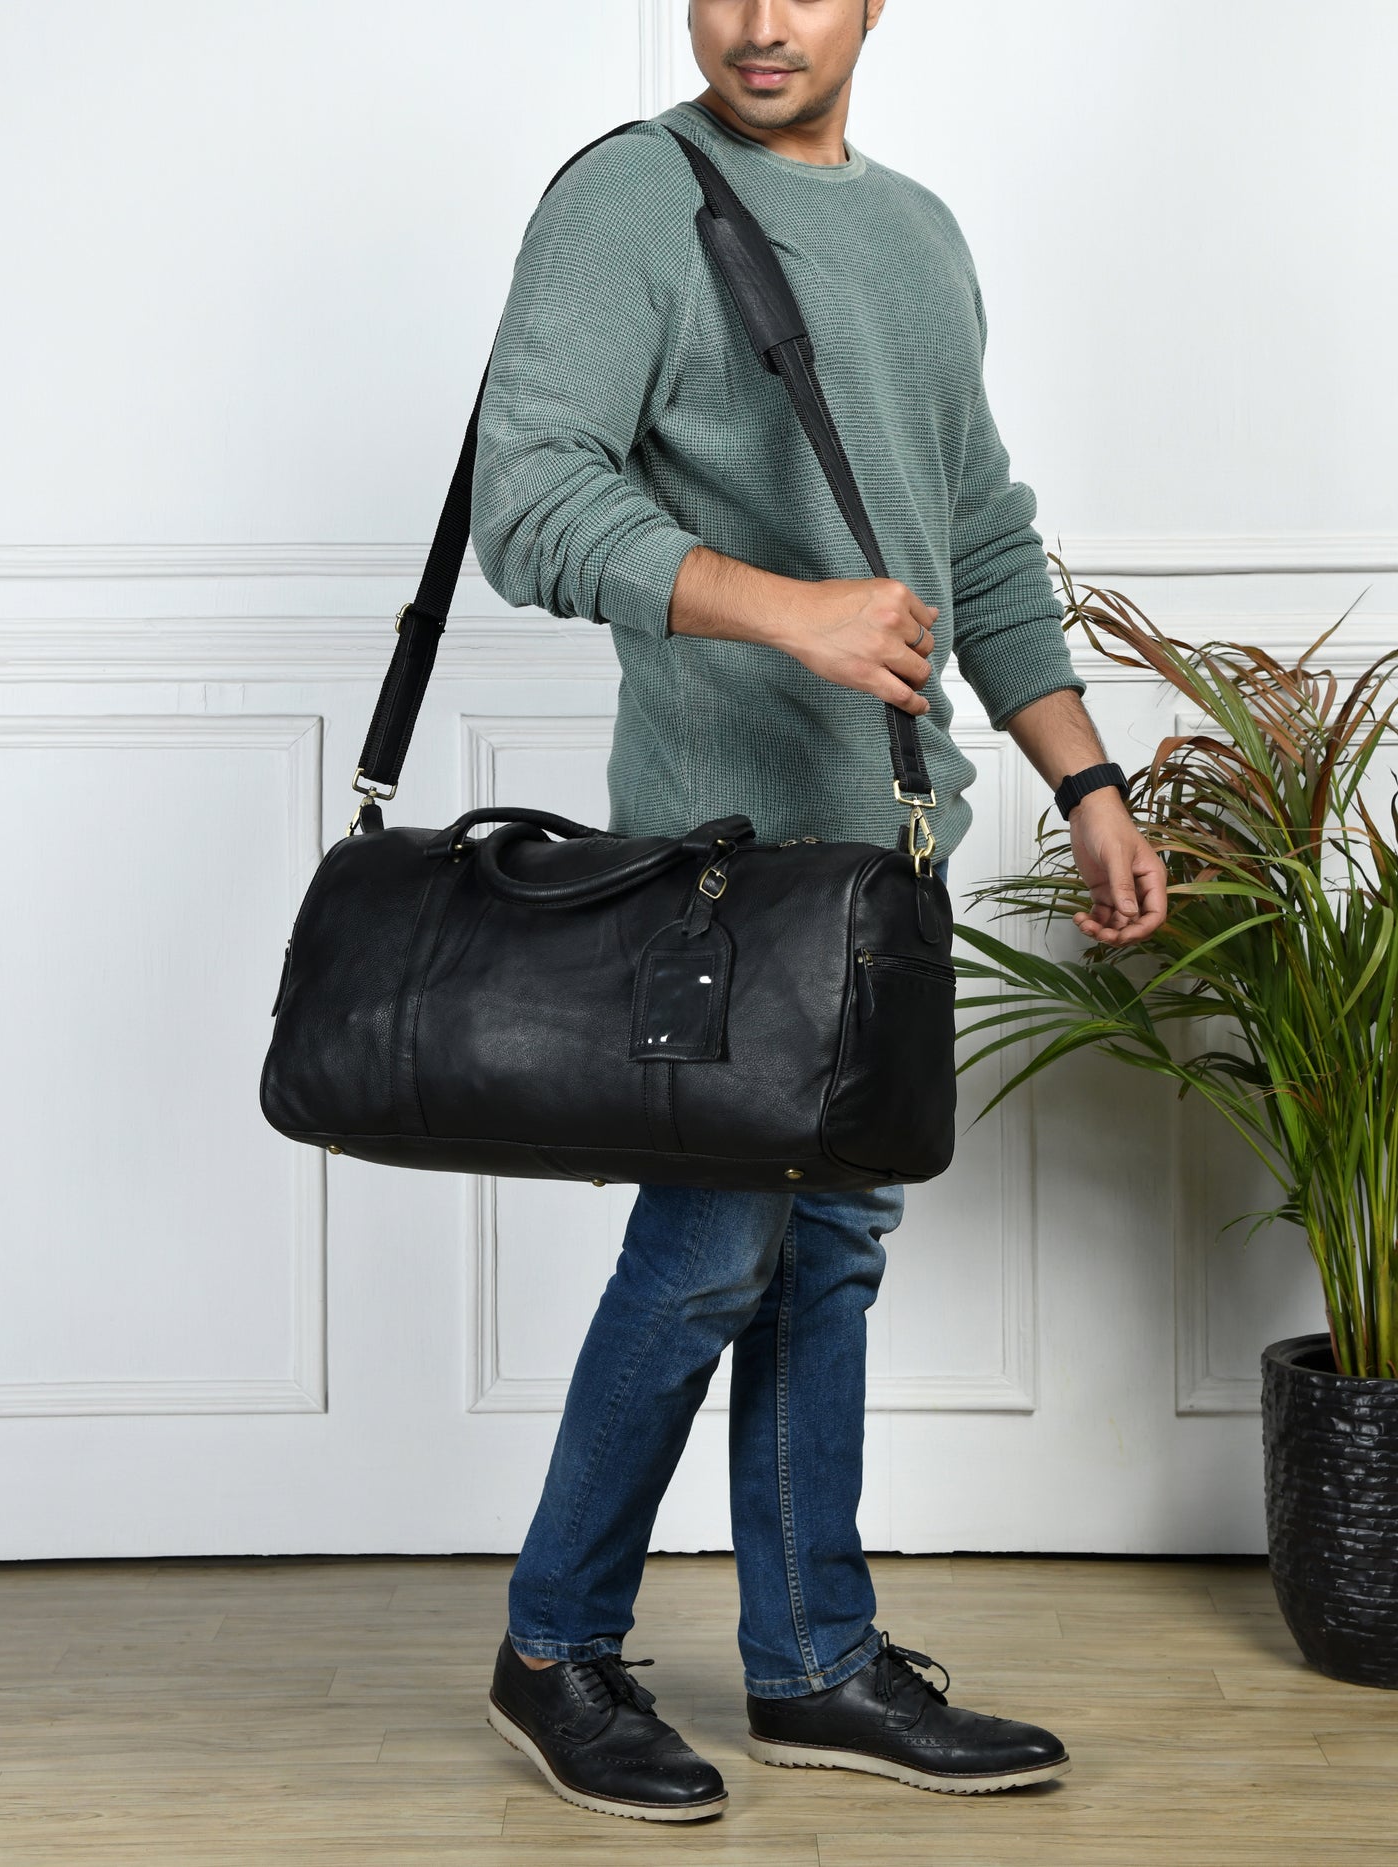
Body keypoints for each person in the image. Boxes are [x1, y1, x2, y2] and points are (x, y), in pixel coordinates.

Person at [470, 0, 1169, 1826]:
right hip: (720, 865)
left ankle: (811, 1662)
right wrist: (789, 611)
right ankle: (555, 1646)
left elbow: (979, 534)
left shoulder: (919, 233)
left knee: (830, 1247)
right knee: (711, 1253)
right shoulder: (637, 197)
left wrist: (1088, 782)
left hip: (886, 864)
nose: (761, 21)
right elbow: (528, 498)